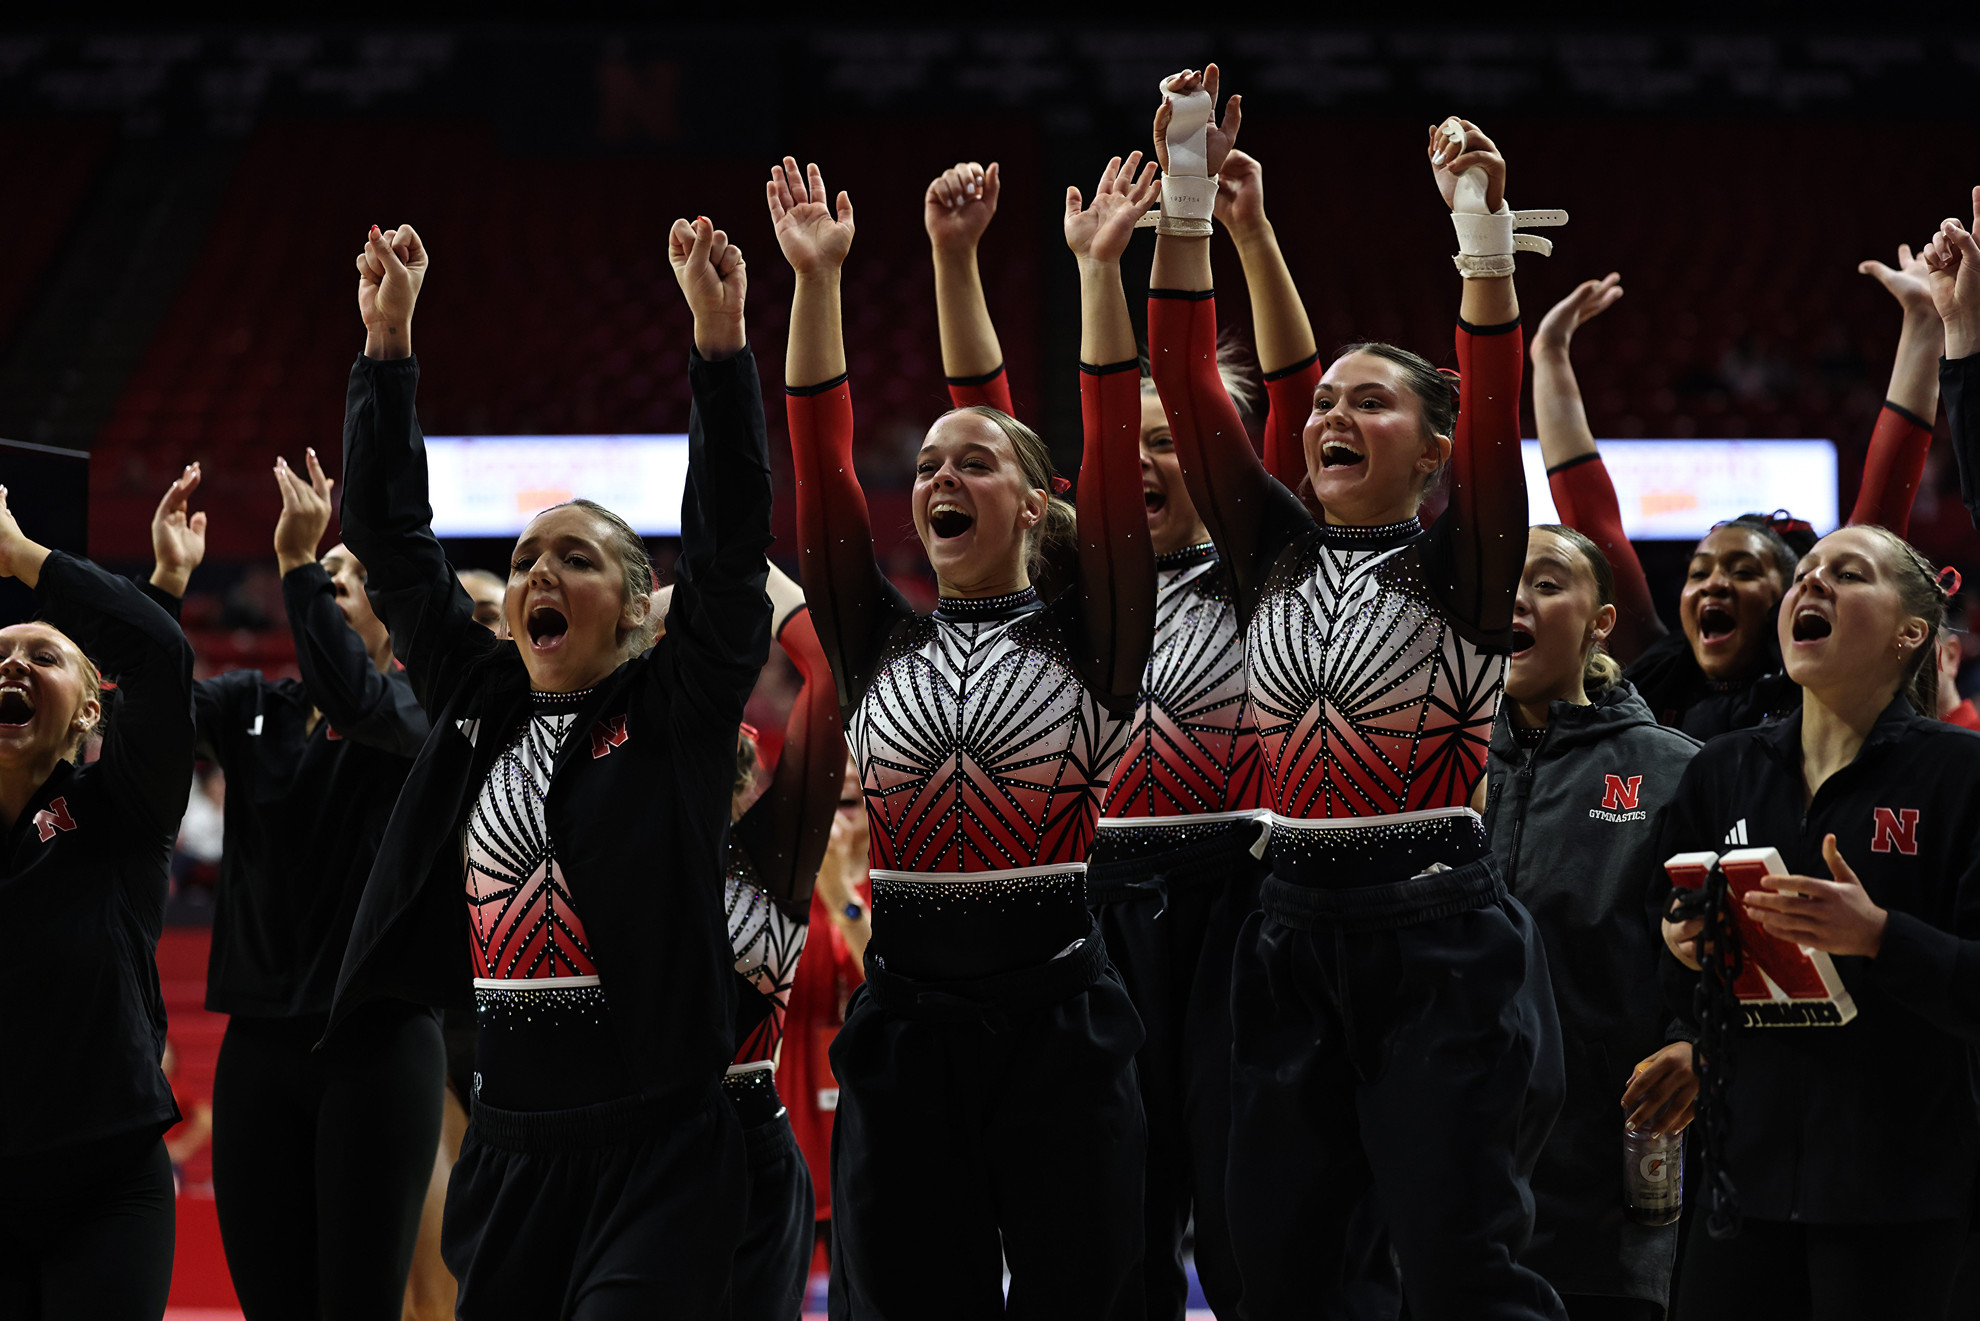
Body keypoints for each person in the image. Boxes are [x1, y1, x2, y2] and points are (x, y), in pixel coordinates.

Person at [1145, 70, 1566, 1319]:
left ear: (1434, 450)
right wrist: (1183, 190)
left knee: (1458, 1267)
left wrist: (1480, 241)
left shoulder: (1465, 562)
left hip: (1437, 938)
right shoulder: (1271, 551)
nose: (1330, 412)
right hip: (1283, 934)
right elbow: (1182, 375)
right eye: (1323, 400)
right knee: (1281, 1276)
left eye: (1368, 401)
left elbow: (1494, 399)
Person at [325, 214, 772, 1320]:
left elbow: (726, 554)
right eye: (526, 558)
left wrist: (720, 350)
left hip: (659, 1151)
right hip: (510, 1147)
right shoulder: (481, 700)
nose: (538, 575)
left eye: (576, 558)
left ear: (635, 606)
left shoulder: (675, 710)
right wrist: (388, 345)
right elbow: (394, 545)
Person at [925, 151, 1319, 1318]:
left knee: (1251, 1218)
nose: (1143, 458)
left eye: (1173, 438)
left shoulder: (1265, 564)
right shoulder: (1070, 577)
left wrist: (1248, 237)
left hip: (1238, 902)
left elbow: (1294, 391)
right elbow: (988, 424)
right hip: (1092, 904)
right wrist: (954, 256)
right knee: (1110, 1218)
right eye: (1128, 439)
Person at [773, 150, 1156, 1316]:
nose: (940, 476)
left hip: (1061, 1032)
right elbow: (822, 463)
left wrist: (1099, 272)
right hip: (906, 1038)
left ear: (1037, 505)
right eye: (929, 464)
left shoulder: (1095, 631)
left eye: (975, 462)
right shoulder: (874, 639)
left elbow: (1107, 442)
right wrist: (816, 281)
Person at [143, 452, 445, 1321]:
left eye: (356, 575)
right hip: (259, 1045)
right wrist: (166, 584)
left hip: (378, 1046)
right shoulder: (253, 705)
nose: (335, 579)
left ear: (394, 618)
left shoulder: (422, 712)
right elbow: (141, 719)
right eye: (328, 571)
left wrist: (300, 561)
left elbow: (356, 699)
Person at [1658, 524, 1980, 1320]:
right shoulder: (1719, 768)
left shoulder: (1962, 774)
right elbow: (1662, 951)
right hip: (1739, 1186)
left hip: (1903, 1196)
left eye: (1850, 573)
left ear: (1911, 632)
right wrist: (1684, 949)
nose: (1812, 583)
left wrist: (1880, 936)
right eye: (1804, 571)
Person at [1534, 245, 1942, 729]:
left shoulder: (1827, 674)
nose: (1714, 584)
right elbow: (1592, 518)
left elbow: (1882, 506)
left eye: (1744, 571)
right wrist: (1550, 354)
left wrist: (1922, 322)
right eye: (1698, 573)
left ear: (1790, 597)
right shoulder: (1659, 666)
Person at [1483, 524, 1702, 1320]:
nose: (1517, 599)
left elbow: (1714, 952)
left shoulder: (1675, 768)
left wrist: (1694, 1040)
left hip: (1605, 1185)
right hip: (1446, 1174)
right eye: (1502, 581)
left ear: (1601, 621)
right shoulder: (1428, 758)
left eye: (1546, 583)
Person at [0, 486, 194, 1320]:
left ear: (89, 709)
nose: (12, 665)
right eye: (0, 654)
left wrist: (21, 556)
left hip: (106, 1183)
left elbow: (159, 654)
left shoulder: (123, 807)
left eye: (42, 655)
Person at [653, 561, 844, 1321]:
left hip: (746, 1147)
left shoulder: (774, 855)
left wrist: (743, 573)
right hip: (627, 1147)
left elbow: (829, 671)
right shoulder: (604, 844)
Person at [780, 755, 870, 1281]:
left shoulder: (899, 882)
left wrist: (841, 898)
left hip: (869, 1145)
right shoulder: (780, 884)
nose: (847, 774)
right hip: (789, 1139)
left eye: (856, 760)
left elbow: (889, 981)